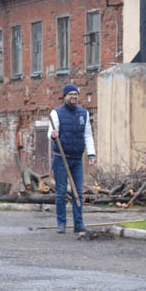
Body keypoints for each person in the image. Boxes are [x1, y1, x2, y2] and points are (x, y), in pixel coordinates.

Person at [48, 84, 96, 235]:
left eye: (75, 94)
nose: (73, 97)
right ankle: (61, 224)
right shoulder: (56, 113)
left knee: (78, 192)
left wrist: (91, 154)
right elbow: (51, 133)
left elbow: (87, 135)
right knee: (61, 192)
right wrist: (53, 135)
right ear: (65, 96)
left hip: (77, 159)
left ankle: (79, 224)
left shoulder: (83, 114)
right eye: (70, 94)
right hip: (61, 158)